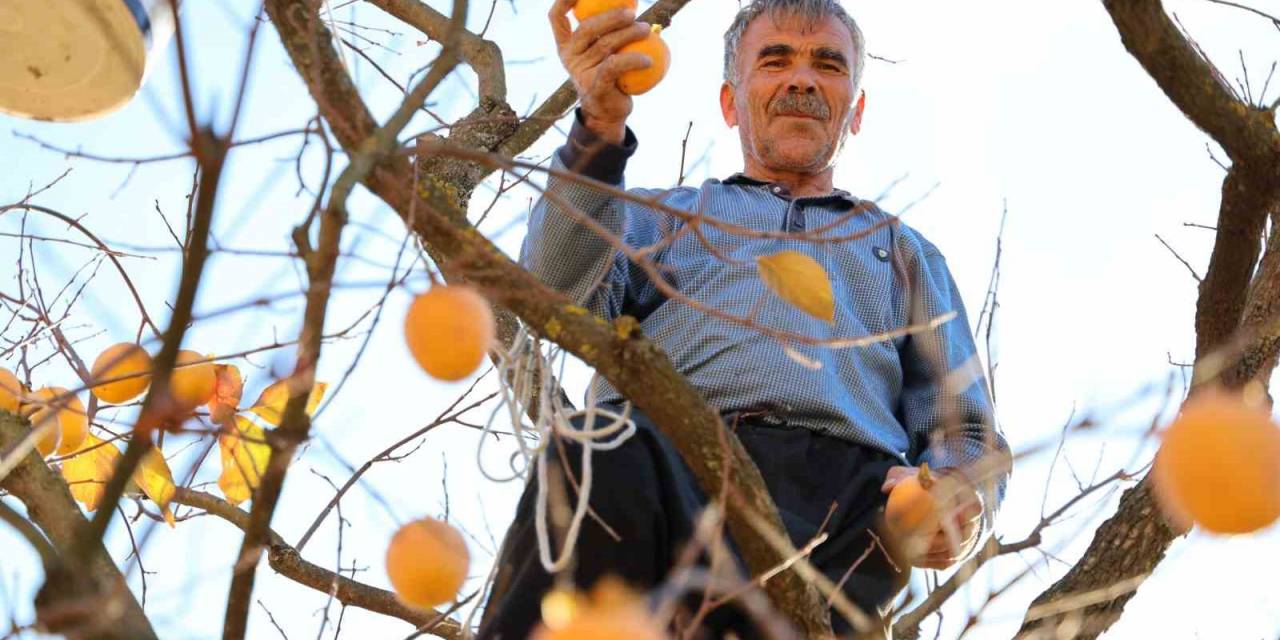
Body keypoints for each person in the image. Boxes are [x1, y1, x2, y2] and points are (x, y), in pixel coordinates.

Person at [478, 0, 1012, 637]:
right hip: (672, 466)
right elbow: (554, 287)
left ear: (857, 110)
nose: (802, 79)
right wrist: (599, 126)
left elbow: (966, 425)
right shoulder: (661, 218)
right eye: (776, 59)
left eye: (828, 64)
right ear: (731, 103)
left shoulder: (903, 254)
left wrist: (956, 496)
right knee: (593, 449)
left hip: (845, 511)